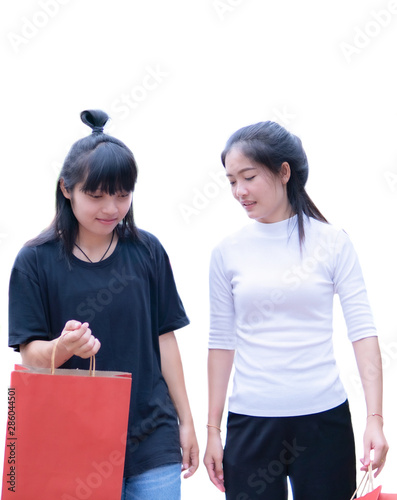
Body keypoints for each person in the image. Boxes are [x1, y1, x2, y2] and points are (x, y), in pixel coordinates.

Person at [8, 109, 199, 500]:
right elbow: (30, 357)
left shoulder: (148, 252)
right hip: (72, 445)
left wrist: (186, 420)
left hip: (152, 439)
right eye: (96, 196)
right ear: (66, 189)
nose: (111, 208)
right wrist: (65, 347)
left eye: (122, 194)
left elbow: (165, 341)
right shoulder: (35, 262)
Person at [203, 121, 388, 500]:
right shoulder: (227, 252)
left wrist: (375, 418)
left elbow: (363, 332)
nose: (239, 191)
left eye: (248, 177)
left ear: (283, 172)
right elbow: (221, 342)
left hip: (323, 420)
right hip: (251, 423)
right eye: (232, 181)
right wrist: (212, 431)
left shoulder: (333, 242)